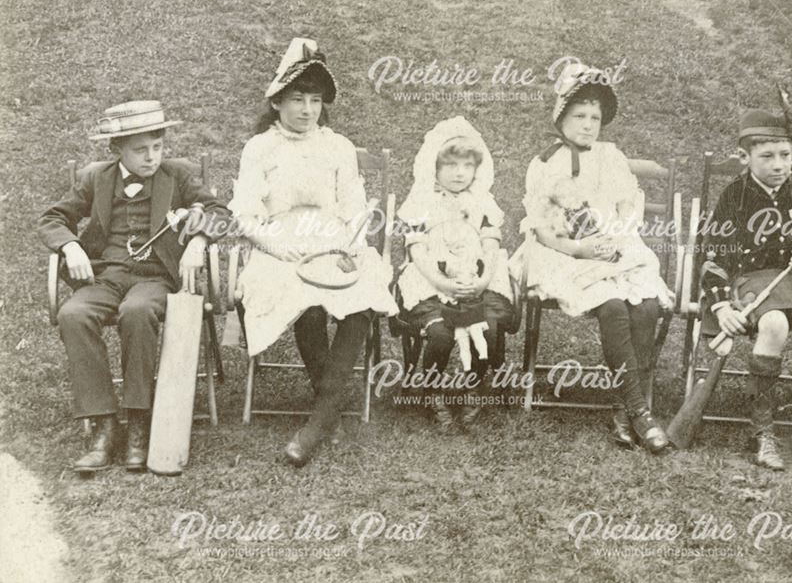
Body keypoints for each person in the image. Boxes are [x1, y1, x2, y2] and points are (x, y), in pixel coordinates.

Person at [229, 38, 397, 466]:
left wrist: (351, 247)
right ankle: (329, 413)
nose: (307, 110)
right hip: (280, 246)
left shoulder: (337, 146)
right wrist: (275, 245)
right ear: (277, 102)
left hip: (333, 239)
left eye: (315, 100)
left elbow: (356, 209)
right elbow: (246, 214)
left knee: (361, 294)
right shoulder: (261, 148)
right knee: (306, 302)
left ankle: (319, 418)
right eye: (297, 99)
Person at [38, 101, 229, 473]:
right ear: (117, 149)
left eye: (157, 147)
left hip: (155, 277)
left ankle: (139, 421)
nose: (152, 157)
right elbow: (52, 218)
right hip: (106, 277)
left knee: (138, 312)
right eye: (141, 150)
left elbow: (220, 212)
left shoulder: (179, 174)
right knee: (73, 314)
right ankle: (104, 427)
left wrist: (198, 241)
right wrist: (71, 245)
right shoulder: (97, 177)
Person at [511, 63, 673, 454]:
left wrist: (616, 239)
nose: (588, 125)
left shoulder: (611, 157)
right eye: (579, 116)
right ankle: (639, 409)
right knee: (614, 307)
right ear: (561, 119)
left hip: (612, 247)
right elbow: (542, 227)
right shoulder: (547, 162)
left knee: (647, 305)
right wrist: (580, 249)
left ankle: (623, 407)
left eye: (595, 118)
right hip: (563, 254)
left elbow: (627, 208)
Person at [700, 107, 792, 472]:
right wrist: (722, 308)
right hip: (752, 282)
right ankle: (762, 432)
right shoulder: (735, 196)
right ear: (744, 157)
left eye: (786, 155)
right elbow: (714, 257)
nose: (779, 165)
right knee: (774, 326)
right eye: (767, 156)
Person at [396, 117, 514, 429]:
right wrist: (442, 282)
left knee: (486, 328)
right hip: (431, 279)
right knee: (439, 333)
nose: (459, 173)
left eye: (466, 165)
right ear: (433, 167)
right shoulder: (422, 201)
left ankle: (473, 386)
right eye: (450, 165)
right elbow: (417, 252)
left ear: (478, 167)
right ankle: (432, 390)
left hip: (475, 277)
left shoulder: (482, 202)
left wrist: (483, 279)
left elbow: (490, 248)